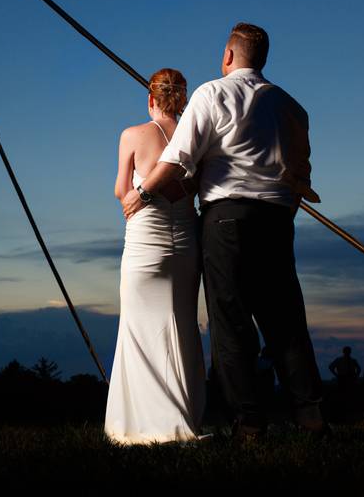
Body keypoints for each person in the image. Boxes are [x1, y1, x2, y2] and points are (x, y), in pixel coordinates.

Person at [121, 22, 329, 440]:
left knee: (231, 321)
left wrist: (140, 192)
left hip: (226, 219)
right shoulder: (292, 107)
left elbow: (179, 159)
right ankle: (310, 416)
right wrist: (283, 212)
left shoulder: (211, 93)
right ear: (263, 59)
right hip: (275, 219)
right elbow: (302, 177)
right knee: (285, 318)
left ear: (229, 56)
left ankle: (249, 422)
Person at [104, 68, 207, 445]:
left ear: (150, 98)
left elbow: (121, 190)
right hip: (186, 243)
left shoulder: (132, 135)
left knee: (137, 326)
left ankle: (139, 422)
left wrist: (137, 189)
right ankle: (184, 415)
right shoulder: (195, 137)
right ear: (181, 99)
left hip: (145, 244)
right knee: (180, 326)